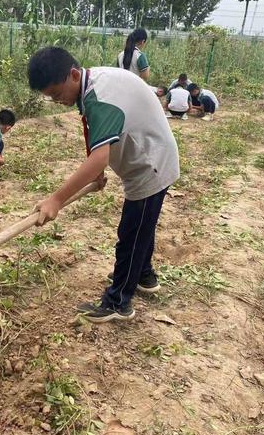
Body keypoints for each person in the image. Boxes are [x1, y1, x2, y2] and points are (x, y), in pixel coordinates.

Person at [28, 47, 179, 324]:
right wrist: (97, 175)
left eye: (57, 94)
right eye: (50, 98)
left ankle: (118, 302)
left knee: (131, 235)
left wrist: (57, 199)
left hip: (150, 165)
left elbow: (100, 157)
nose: (57, 101)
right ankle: (144, 275)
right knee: (142, 229)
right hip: (151, 156)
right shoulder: (93, 83)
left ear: (73, 75)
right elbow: (100, 138)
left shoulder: (99, 97)